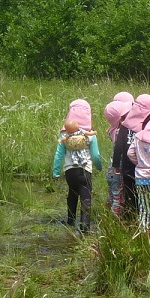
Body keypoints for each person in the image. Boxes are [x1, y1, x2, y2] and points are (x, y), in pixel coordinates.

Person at [52, 99, 103, 233]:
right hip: (85, 171)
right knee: (86, 195)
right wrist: (99, 167)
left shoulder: (64, 135)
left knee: (72, 194)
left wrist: (56, 172)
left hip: (69, 171)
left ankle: (70, 221)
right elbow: (96, 155)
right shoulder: (89, 135)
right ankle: (85, 226)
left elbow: (58, 155)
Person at [119, 93, 150, 221]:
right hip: (143, 168)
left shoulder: (125, 125)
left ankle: (131, 220)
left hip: (127, 168)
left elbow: (118, 147)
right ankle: (143, 220)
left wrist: (115, 165)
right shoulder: (148, 127)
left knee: (130, 195)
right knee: (144, 196)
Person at [104, 95, 134, 217]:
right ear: (121, 119)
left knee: (112, 194)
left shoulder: (112, 130)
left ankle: (107, 213)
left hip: (111, 169)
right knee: (118, 198)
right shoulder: (121, 131)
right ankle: (116, 219)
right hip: (118, 171)